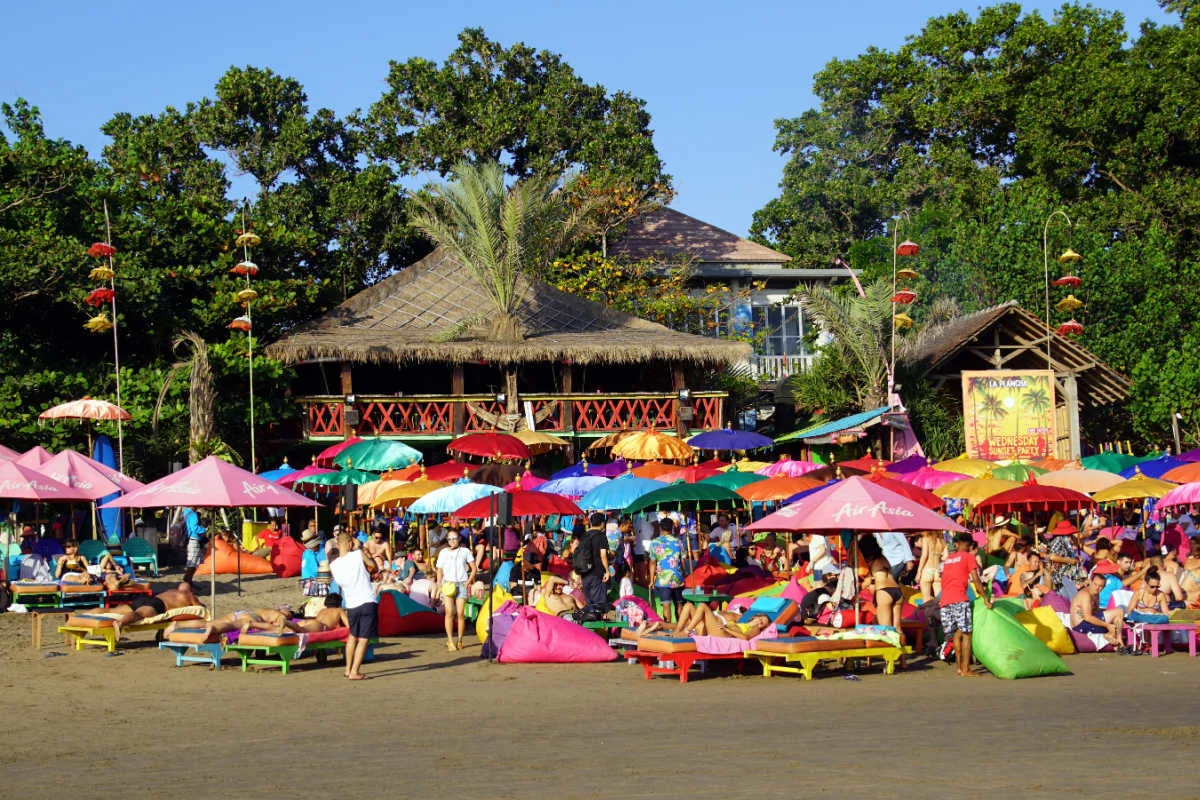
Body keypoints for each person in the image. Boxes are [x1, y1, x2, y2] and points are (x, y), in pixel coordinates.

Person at [941, 532, 991, 678]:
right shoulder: (968, 557)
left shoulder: (949, 560)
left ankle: (959, 667)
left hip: (945, 600)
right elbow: (976, 579)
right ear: (968, 544)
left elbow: (944, 580)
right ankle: (966, 669)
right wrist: (985, 598)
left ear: (956, 544)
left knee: (956, 633)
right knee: (967, 634)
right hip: (959, 598)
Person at [328, 533, 377, 680]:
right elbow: (373, 565)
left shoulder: (333, 565)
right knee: (363, 639)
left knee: (352, 636)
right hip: (367, 600)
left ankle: (348, 669)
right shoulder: (357, 555)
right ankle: (355, 671)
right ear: (349, 543)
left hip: (351, 603)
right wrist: (360, 547)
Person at [90, 582, 202, 640]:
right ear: (190, 590)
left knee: (112, 610)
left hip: (149, 598)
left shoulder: (170, 591)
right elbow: (200, 609)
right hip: (158, 604)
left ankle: (86, 615)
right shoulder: (189, 596)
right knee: (139, 614)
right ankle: (120, 623)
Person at [435, 529, 476, 651]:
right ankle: (450, 640)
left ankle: (460, 639)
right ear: (447, 540)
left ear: (459, 539)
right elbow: (439, 570)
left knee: (461, 614)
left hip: (462, 583)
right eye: (450, 539)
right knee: (449, 613)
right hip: (448, 584)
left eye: (454, 538)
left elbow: (474, 568)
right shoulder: (443, 552)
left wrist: (468, 582)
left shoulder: (465, 551)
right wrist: (439, 585)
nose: (452, 541)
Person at [1070, 572, 1128, 653]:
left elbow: (1096, 612)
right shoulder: (1085, 595)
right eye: (1095, 584)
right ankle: (1118, 640)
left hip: (1087, 624)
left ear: (1104, 587)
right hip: (1080, 625)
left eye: (1100, 586)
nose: (1097, 588)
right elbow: (1087, 617)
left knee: (1118, 619)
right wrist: (1107, 625)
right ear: (1090, 582)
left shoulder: (1095, 594)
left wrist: (1110, 619)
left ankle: (1115, 642)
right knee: (1119, 611)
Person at [861, 536, 904, 632]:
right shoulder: (883, 559)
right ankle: (902, 646)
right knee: (898, 629)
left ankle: (891, 647)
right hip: (897, 591)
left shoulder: (870, 562)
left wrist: (858, 588)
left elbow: (868, 582)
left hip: (884, 592)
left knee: (886, 630)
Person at [648, 517, 684, 623]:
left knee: (666, 604)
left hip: (663, 579)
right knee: (679, 603)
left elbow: (652, 562)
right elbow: (682, 561)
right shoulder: (678, 541)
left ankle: (668, 627)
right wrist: (684, 573)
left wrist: (651, 580)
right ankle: (680, 626)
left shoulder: (654, 543)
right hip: (677, 577)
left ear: (660, 528)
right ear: (672, 528)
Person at [671, 605, 772, 640]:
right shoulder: (743, 622)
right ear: (755, 617)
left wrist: (727, 629)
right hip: (721, 629)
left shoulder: (755, 629)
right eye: (761, 619)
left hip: (724, 633)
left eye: (763, 623)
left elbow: (745, 638)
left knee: (702, 606)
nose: (760, 622)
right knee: (688, 606)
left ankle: (686, 631)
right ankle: (677, 631)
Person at [577, 512, 610, 609]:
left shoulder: (584, 536)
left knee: (589, 602)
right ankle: (598, 622)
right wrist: (607, 571)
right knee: (599, 604)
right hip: (597, 572)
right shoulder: (601, 536)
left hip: (585, 573)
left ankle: (588, 623)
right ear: (602, 523)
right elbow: (603, 555)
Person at [916, 530, 945, 603]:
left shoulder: (926, 539)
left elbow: (924, 555)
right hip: (937, 571)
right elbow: (945, 557)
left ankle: (928, 614)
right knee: (939, 599)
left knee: (926, 599)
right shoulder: (942, 541)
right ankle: (940, 613)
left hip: (927, 569)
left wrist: (919, 572)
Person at [182, 508, 207, 585]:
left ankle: (188, 581)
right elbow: (194, 528)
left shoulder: (185, 512)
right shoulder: (193, 514)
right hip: (194, 539)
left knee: (193, 562)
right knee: (193, 563)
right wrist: (205, 529)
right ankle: (187, 581)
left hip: (189, 539)